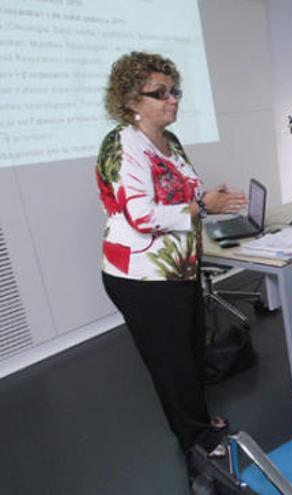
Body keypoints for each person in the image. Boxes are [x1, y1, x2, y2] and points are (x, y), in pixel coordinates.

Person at [96, 52, 247, 457]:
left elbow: (183, 195)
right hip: (141, 278)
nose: (172, 99)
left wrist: (207, 198)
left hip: (179, 271)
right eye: (159, 93)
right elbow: (141, 216)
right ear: (130, 100)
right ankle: (196, 441)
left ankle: (196, 419)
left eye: (174, 90)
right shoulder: (122, 144)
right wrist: (203, 207)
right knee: (171, 363)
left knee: (190, 352)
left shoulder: (169, 141)